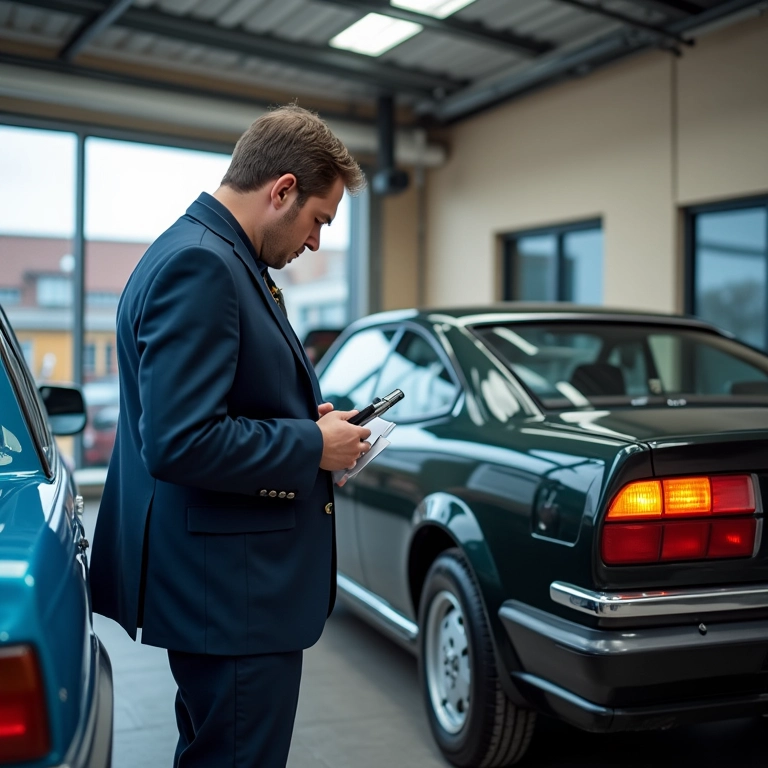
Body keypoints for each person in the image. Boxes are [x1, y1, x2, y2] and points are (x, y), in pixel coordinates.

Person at [90, 104, 372, 768]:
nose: (315, 244)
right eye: (317, 221)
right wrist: (311, 446)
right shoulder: (205, 267)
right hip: (232, 598)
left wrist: (311, 423)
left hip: (224, 593)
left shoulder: (208, 254)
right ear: (281, 191)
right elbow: (181, 440)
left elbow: (217, 405)